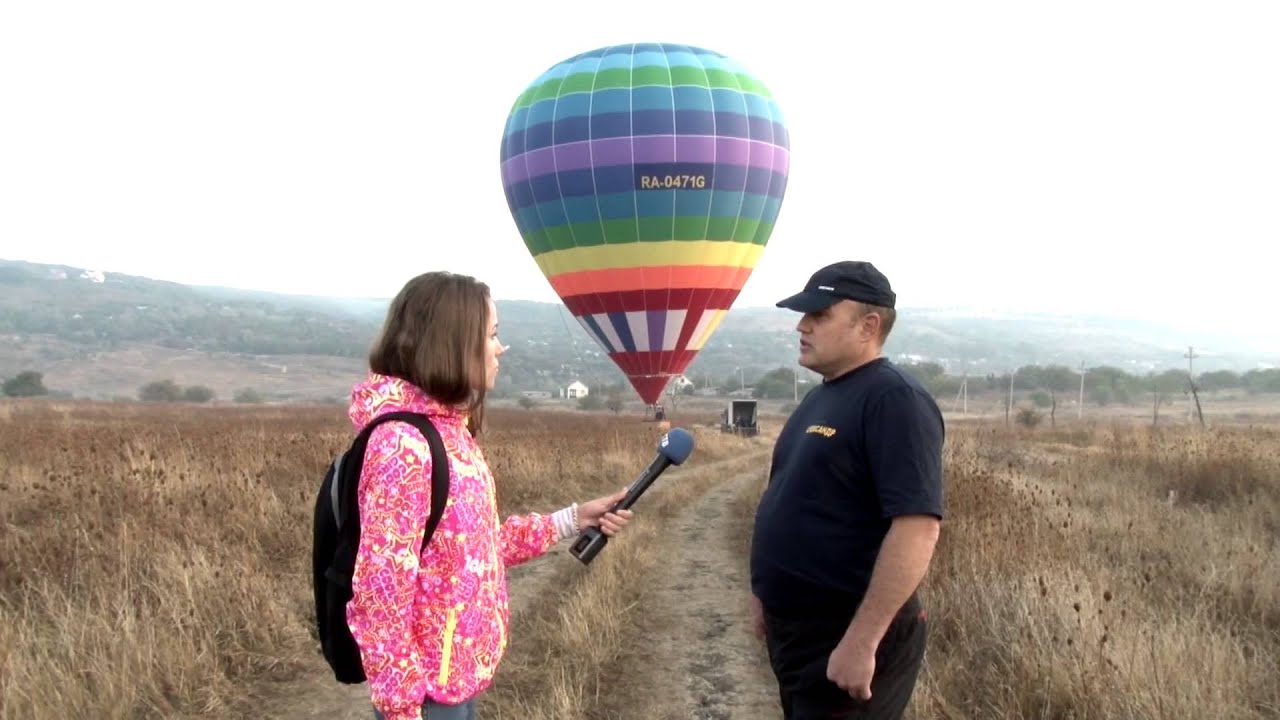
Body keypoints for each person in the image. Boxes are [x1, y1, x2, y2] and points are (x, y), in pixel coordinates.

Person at [345, 271, 635, 720]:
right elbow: (379, 595)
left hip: (456, 677)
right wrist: (403, 709)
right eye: (492, 335)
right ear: (452, 343)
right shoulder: (403, 447)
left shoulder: (450, 432)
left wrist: (573, 519)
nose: (501, 348)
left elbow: (474, 549)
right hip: (426, 695)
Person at [748, 260, 945, 719]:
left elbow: (916, 528)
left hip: (846, 630)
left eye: (819, 315)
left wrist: (863, 641)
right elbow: (790, 498)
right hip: (797, 635)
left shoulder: (894, 400)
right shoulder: (822, 396)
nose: (802, 325)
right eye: (804, 315)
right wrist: (764, 593)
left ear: (868, 326)